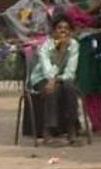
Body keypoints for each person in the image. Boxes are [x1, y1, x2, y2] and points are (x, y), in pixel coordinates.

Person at [30, 14, 82, 146]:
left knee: (70, 87)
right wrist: (53, 79)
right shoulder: (45, 47)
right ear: (53, 31)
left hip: (62, 79)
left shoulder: (74, 45)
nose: (63, 31)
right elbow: (47, 69)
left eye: (66, 28)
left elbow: (71, 71)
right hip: (41, 78)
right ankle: (49, 131)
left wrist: (58, 79)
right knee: (53, 89)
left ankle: (71, 129)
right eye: (59, 28)